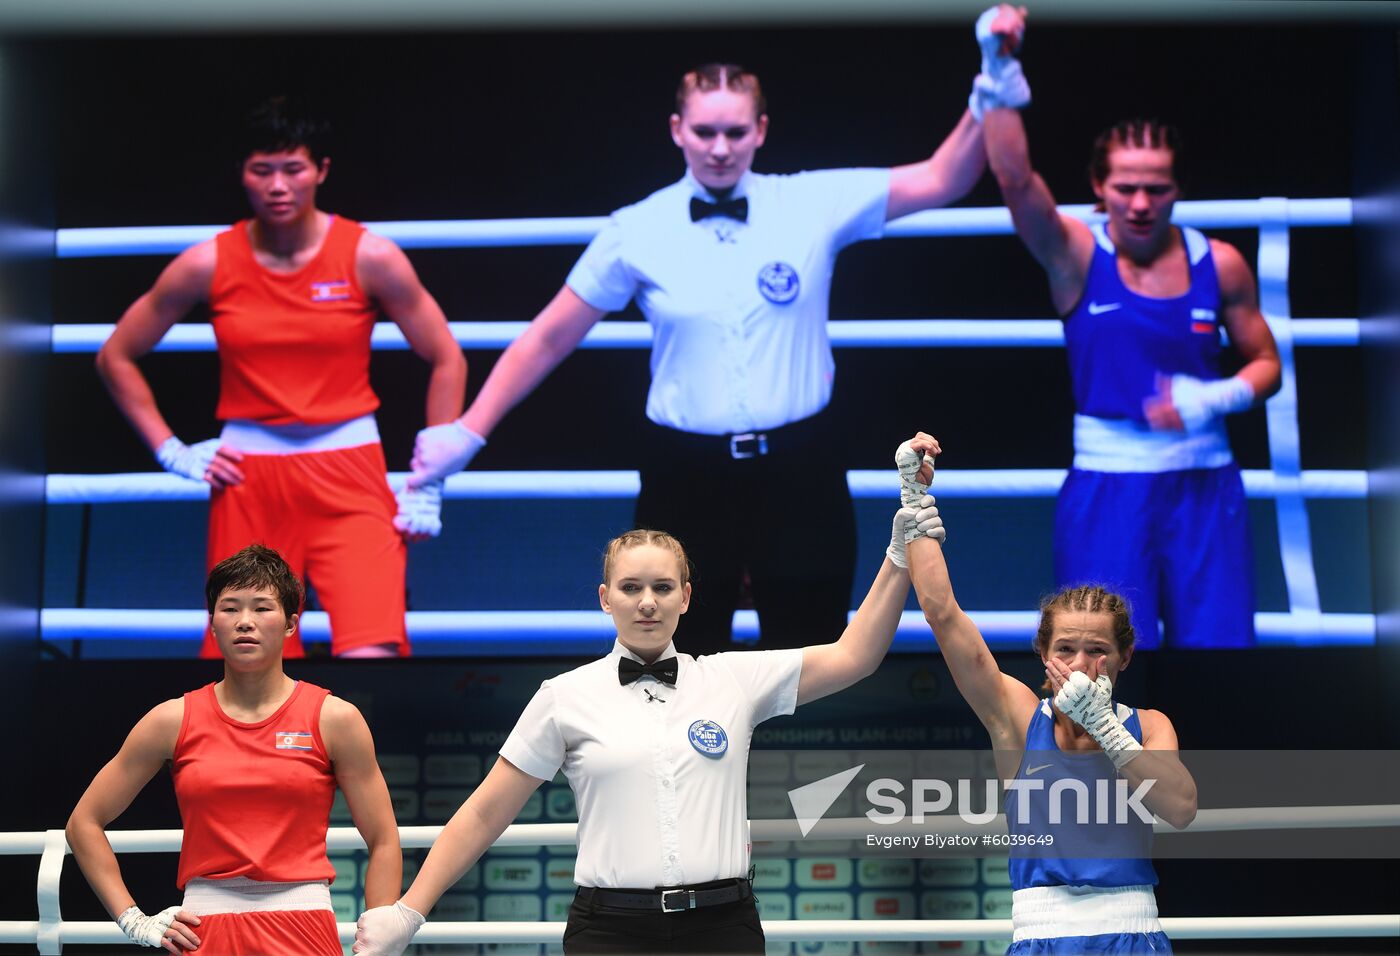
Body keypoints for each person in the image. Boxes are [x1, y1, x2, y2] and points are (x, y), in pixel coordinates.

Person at [403, 51, 1009, 653]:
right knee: (680, 661)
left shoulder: (810, 203)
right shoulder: (636, 228)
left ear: (761, 132)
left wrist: (990, 84)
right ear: (677, 131)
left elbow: (942, 178)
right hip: (684, 475)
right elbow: (549, 336)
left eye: (735, 131)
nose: (720, 147)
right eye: (704, 131)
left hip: (800, 468)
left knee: (813, 653)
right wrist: (468, 432)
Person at [351, 437, 942, 955]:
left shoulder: (733, 680)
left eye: (662, 587)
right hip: (610, 935)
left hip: (724, 931)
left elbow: (854, 655)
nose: (647, 602)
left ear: (687, 596)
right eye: (631, 588)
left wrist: (899, 548)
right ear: (605, 598)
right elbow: (483, 813)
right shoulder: (564, 697)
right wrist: (408, 912)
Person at [95, 95, 467, 658]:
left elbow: (448, 357)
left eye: (292, 168)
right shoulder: (208, 261)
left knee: (374, 654)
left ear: (320, 171)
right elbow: (115, 355)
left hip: (351, 473)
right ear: (242, 175)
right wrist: (171, 450)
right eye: (261, 169)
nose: (277, 185)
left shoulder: (369, 255)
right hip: (249, 482)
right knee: (248, 667)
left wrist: (432, 477)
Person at [977, 8, 1281, 647]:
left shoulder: (1219, 263)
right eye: (1125, 188)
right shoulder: (1075, 257)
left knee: (1220, 656)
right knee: (1094, 666)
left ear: (1177, 190)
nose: (1140, 203)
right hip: (1108, 487)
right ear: (1098, 186)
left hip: (1206, 484)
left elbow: (1265, 363)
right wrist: (998, 69)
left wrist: (1214, 396)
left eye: (1156, 188)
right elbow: (1013, 179)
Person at [902, 433, 1197, 954]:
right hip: (1041, 936)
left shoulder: (1150, 725)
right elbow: (942, 615)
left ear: (1124, 658)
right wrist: (913, 497)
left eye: (1096, 650)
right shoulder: (1017, 717)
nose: (1080, 665)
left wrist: (1106, 726)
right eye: (1065, 649)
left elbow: (1180, 807)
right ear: (1043, 655)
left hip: (1132, 933)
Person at [65, 543, 402, 954]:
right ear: (212, 623)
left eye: (262, 608)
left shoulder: (335, 719)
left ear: (291, 623)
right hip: (203, 930)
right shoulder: (171, 719)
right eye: (230, 608)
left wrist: (380, 933)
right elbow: (84, 822)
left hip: (304, 925)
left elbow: (383, 837)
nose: (245, 622)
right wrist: (133, 920)